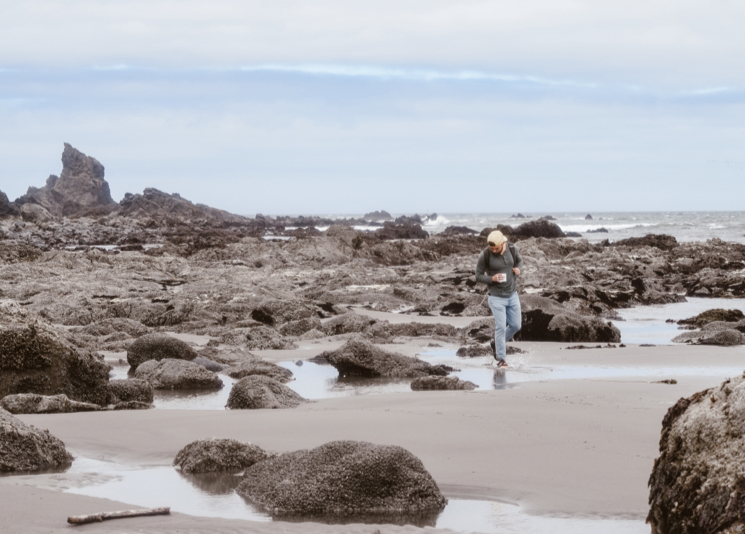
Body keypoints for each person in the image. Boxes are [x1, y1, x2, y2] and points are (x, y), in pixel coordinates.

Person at [474, 230, 523, 368]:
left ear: (503, 243)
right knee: (501, 327)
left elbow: (519, 261)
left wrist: (518, 269)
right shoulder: (485, 254)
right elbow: (478, 276)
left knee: (516, 325)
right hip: (496, 297)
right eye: (491, 248)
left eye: (496, 247)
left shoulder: (512, 249)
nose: (494, 250)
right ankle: (501, 359)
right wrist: (492, 279)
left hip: (512, 295)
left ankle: (496, 343)